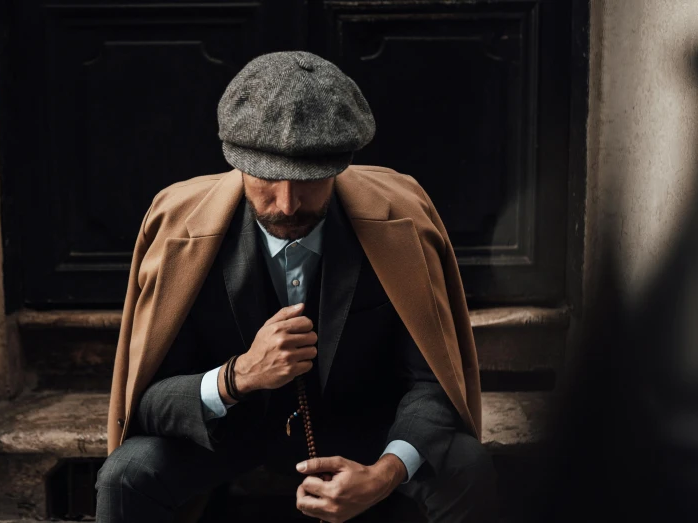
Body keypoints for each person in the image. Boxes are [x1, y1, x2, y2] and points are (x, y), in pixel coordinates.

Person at [95, 50, 496, 523]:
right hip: (232, 431)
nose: (287, 204)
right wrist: (238, 376)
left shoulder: (401, 217)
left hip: (366, 426)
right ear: (237, 163)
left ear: (341, 164)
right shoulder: (178, 225)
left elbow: (432, 382)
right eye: (267, 177)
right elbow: (146, 402)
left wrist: (386, 472)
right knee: (125, 475)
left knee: (467, 465)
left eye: (309, 179)